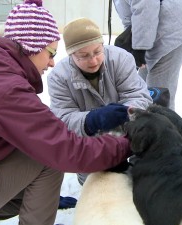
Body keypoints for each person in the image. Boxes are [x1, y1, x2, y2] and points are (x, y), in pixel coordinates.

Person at [0, 1, 131, 225]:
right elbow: (66, 150)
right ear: (32, 46)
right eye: (50, 52)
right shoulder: (5, 88)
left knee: (38, 160)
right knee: (48, 160)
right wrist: (126, 144)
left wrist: (46, 197)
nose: (51, 62)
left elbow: (36, 127)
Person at [47, 17, 152, 185]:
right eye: (84, 56)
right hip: (89, 148)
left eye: (97, 51)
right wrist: (90, 120)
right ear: (71, 55)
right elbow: (63, 119)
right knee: (95, 187)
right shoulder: (59, 78)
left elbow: (140, 96)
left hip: (127, 139)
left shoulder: (120, 59)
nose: (94, 60)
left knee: (134, 185)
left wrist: (125, 112)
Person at [112, 0, 182, 110]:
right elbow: (132, 18)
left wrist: (139, 48)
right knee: (141, 84)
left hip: (174, 27)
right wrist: (131, 45)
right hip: (157, 31)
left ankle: (164, 124)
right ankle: (144, 121)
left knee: (157, 91)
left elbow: (146, 7)